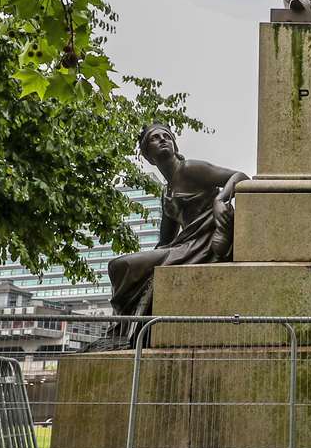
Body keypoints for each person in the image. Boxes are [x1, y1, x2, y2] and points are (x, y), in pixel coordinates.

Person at [104, 125, 248, 340]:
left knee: (120, 265)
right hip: (184, 247)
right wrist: (145, 268)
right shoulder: (166, 194)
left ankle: (221, 241)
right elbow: (164, 242)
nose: (162, 140)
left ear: (174, 144)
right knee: (123, 267)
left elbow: (240, 176)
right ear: (148, 156)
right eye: (155, 138)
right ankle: (124, 329)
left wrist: (220, 199)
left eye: (166, 136)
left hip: (202, 243)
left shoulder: (190, 168)